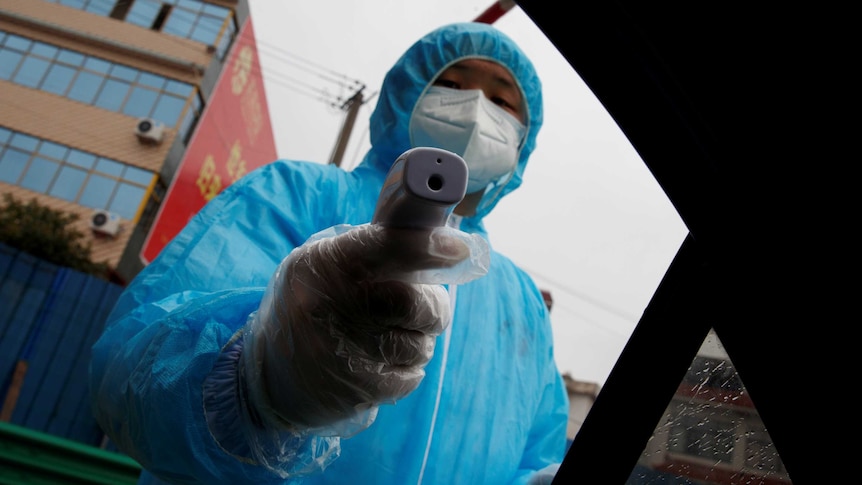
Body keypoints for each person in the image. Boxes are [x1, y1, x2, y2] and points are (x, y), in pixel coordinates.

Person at [89, 21, 569, 484]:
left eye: (502, 99)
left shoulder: (521, 301)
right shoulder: (293, 194)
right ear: (405, 95)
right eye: (451, 82)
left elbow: (536, 452)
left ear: (524, 140)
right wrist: (268, 382)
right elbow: (131, 373)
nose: (474, 107)